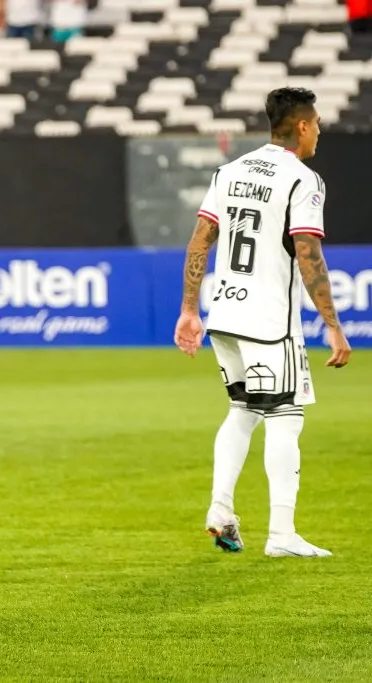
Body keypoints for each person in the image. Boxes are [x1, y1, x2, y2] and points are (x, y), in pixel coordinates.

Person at [175, 87, 351, 559]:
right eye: (316, 124)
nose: (318, 133)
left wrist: (190, 309)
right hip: (270, 317)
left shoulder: (228, 172)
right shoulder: (302, 179)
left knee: (244, 411)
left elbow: (200, 241)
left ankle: (220, 511)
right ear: (301, 126)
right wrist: (332, 324)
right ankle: (282, 535)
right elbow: (309, 252)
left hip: (225, 313)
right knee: (286, 418)